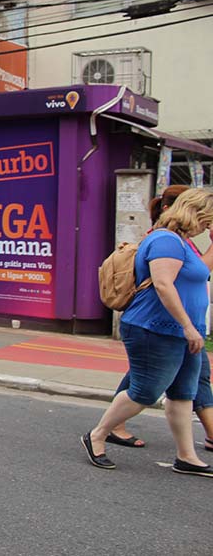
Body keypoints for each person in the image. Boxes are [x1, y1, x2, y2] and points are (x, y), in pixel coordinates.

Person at [81, 188, 213, 477]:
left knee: (183, 393)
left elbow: (196, 275)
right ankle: (97, 435)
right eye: (207, 220)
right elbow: (164, 285)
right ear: (194, 213)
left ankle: (187, 457)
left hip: (182, 331)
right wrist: (188, 326)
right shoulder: (165, 240)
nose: (207, 227)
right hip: (154, 328)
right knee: (145, 391)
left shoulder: (182, 242)